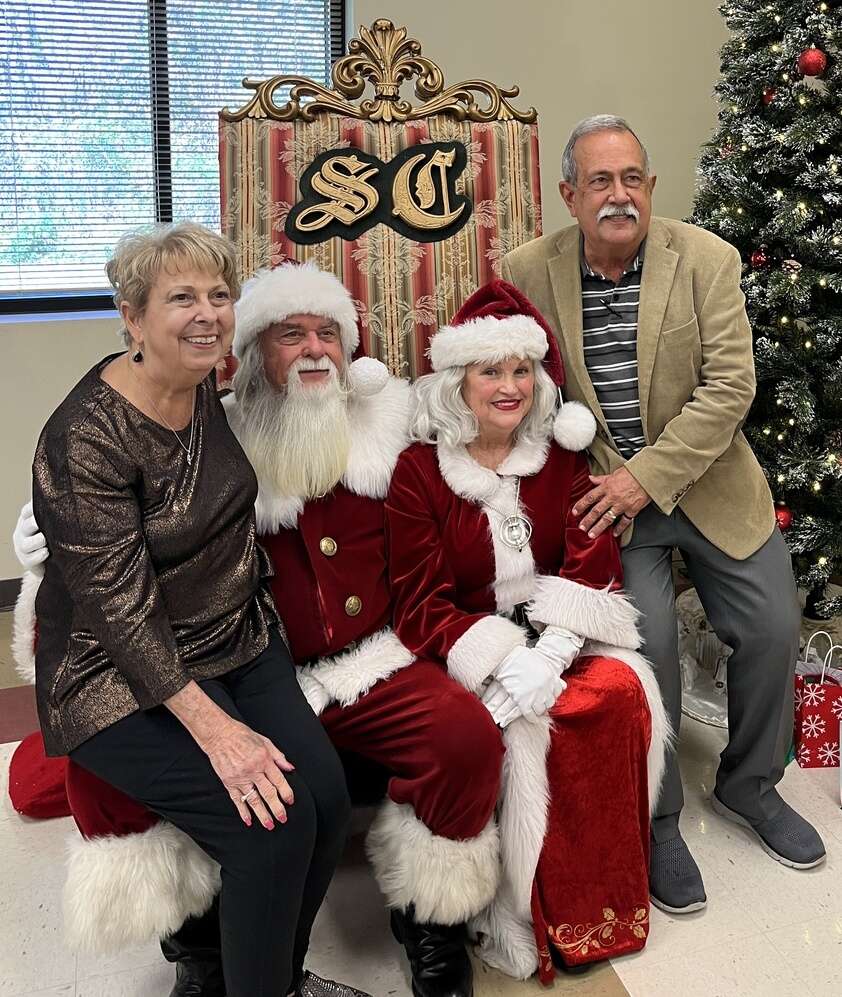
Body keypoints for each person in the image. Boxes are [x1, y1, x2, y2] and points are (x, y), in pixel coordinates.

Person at [14, 261, 504, 997]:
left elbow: (484, 423)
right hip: (192, 668)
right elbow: (109, 588)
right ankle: (204, 952)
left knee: (451, 743)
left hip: (345, 659)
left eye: (328, 332)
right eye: (290, 334)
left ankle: (426, 924)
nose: (313, 349)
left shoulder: (386, 423)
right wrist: (45, 543)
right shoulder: (205, 415)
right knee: (259, 818)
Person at [22, 223, 364, 997]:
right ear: (132, 316)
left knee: (326, 797)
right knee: (270, 829)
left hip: (237, 636)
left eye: (219, 294)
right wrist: (221, 735)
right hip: (116, 670)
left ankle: (275, 977)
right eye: (182, 298)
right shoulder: (85, 438)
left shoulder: (201, 381)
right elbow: (120, 614)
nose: (208, 314)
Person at [501, 114, 825, 916]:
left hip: (711, 485)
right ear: (570, 194)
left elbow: (731, 389)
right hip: (609, 506)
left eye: (632, 179)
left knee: (773, 627)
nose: (619, 196)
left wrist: (644, 478)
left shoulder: (705, 259)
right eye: (600, 182)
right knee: (647, 654)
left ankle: (751, 785)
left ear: (650, 186)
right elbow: (518, 392)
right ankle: (659, 816)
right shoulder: (527, 272)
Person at [384, 279, 670, 982]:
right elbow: (418, 601)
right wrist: (505, 663)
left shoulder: (561, 457)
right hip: (461, 646)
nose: (510, 387)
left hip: (560, 634)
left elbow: (590, 558)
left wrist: (554, 651)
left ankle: (595, 905)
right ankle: (510, 909)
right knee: (502, 730)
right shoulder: (420, 471)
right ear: (459, 380)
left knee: (617, 694)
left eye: (521, 370)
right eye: (491, 370)